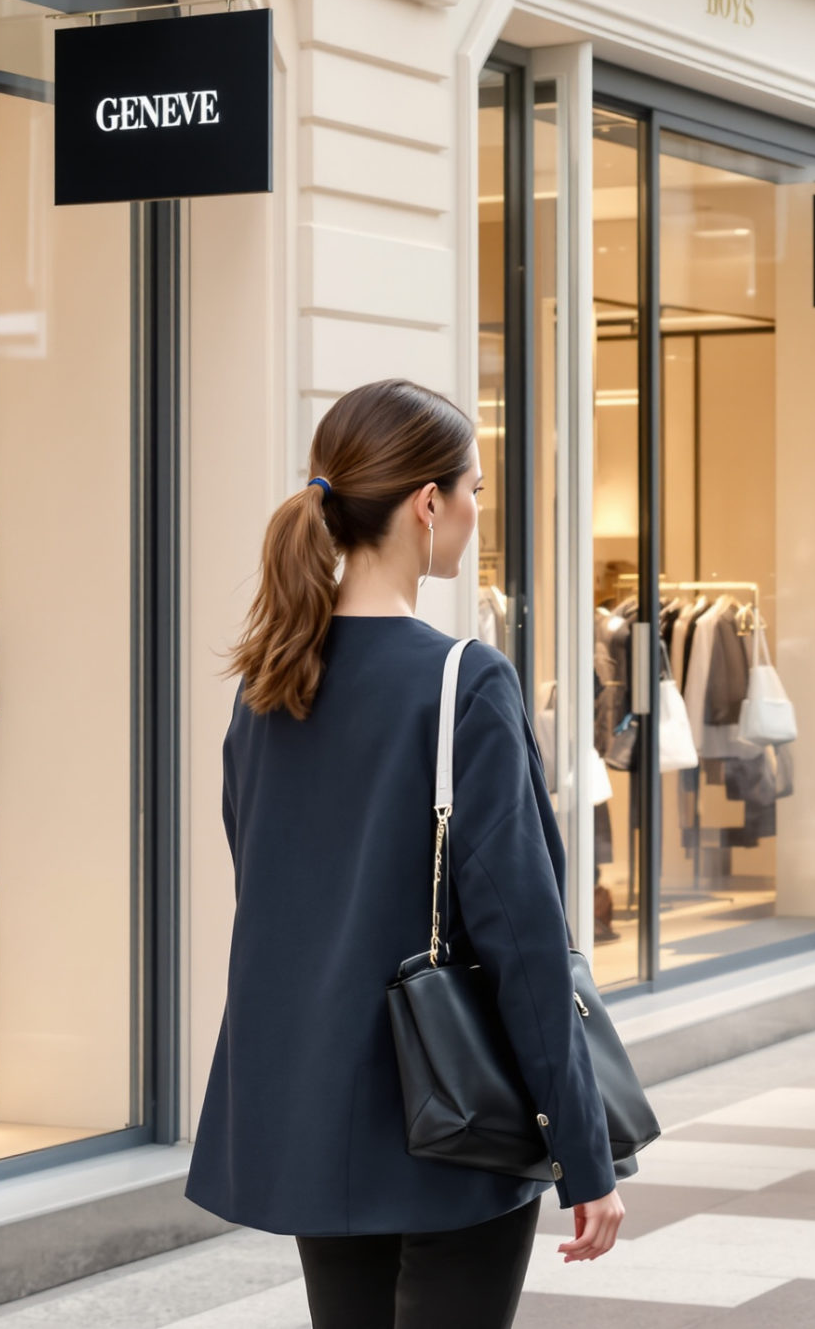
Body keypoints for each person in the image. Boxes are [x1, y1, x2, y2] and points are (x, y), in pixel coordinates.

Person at [187, 380, 623, 1328]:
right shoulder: (464, 681)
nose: (474, 512)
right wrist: (583, 1153)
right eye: (473, 490)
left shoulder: (267, 684)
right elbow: (524, 934)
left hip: (312, 1101)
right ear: (429, 503)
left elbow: (262, 882)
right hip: (451, 1116)